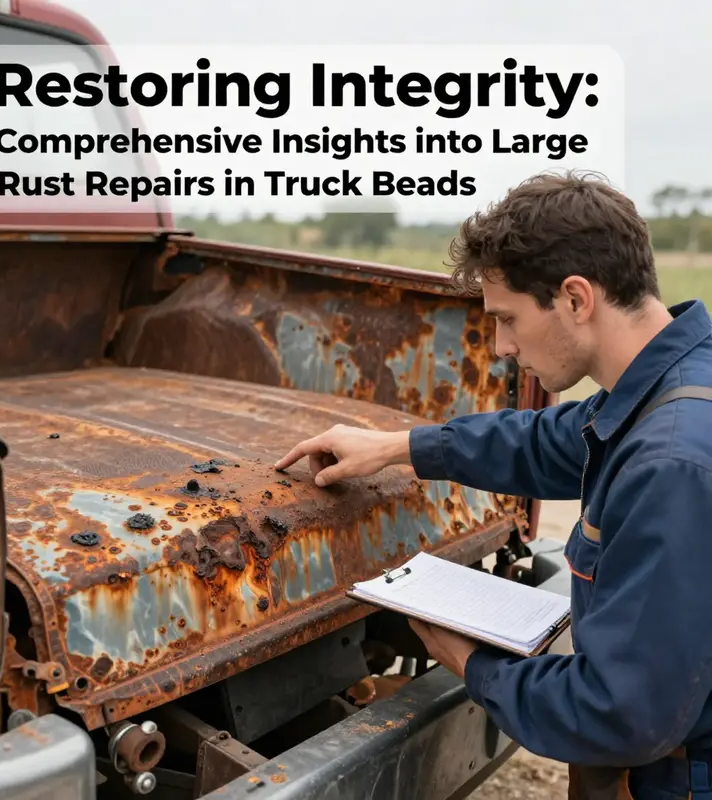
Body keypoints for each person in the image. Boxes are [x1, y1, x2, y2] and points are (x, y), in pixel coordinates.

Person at [274, 172, 712, 799]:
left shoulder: (672, 461)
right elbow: (551, 439)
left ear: (576, 298)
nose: (502, 347)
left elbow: (620, 716)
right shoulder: (675, 387)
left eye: (508, 319)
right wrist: (397, 448)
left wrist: (471, 664)